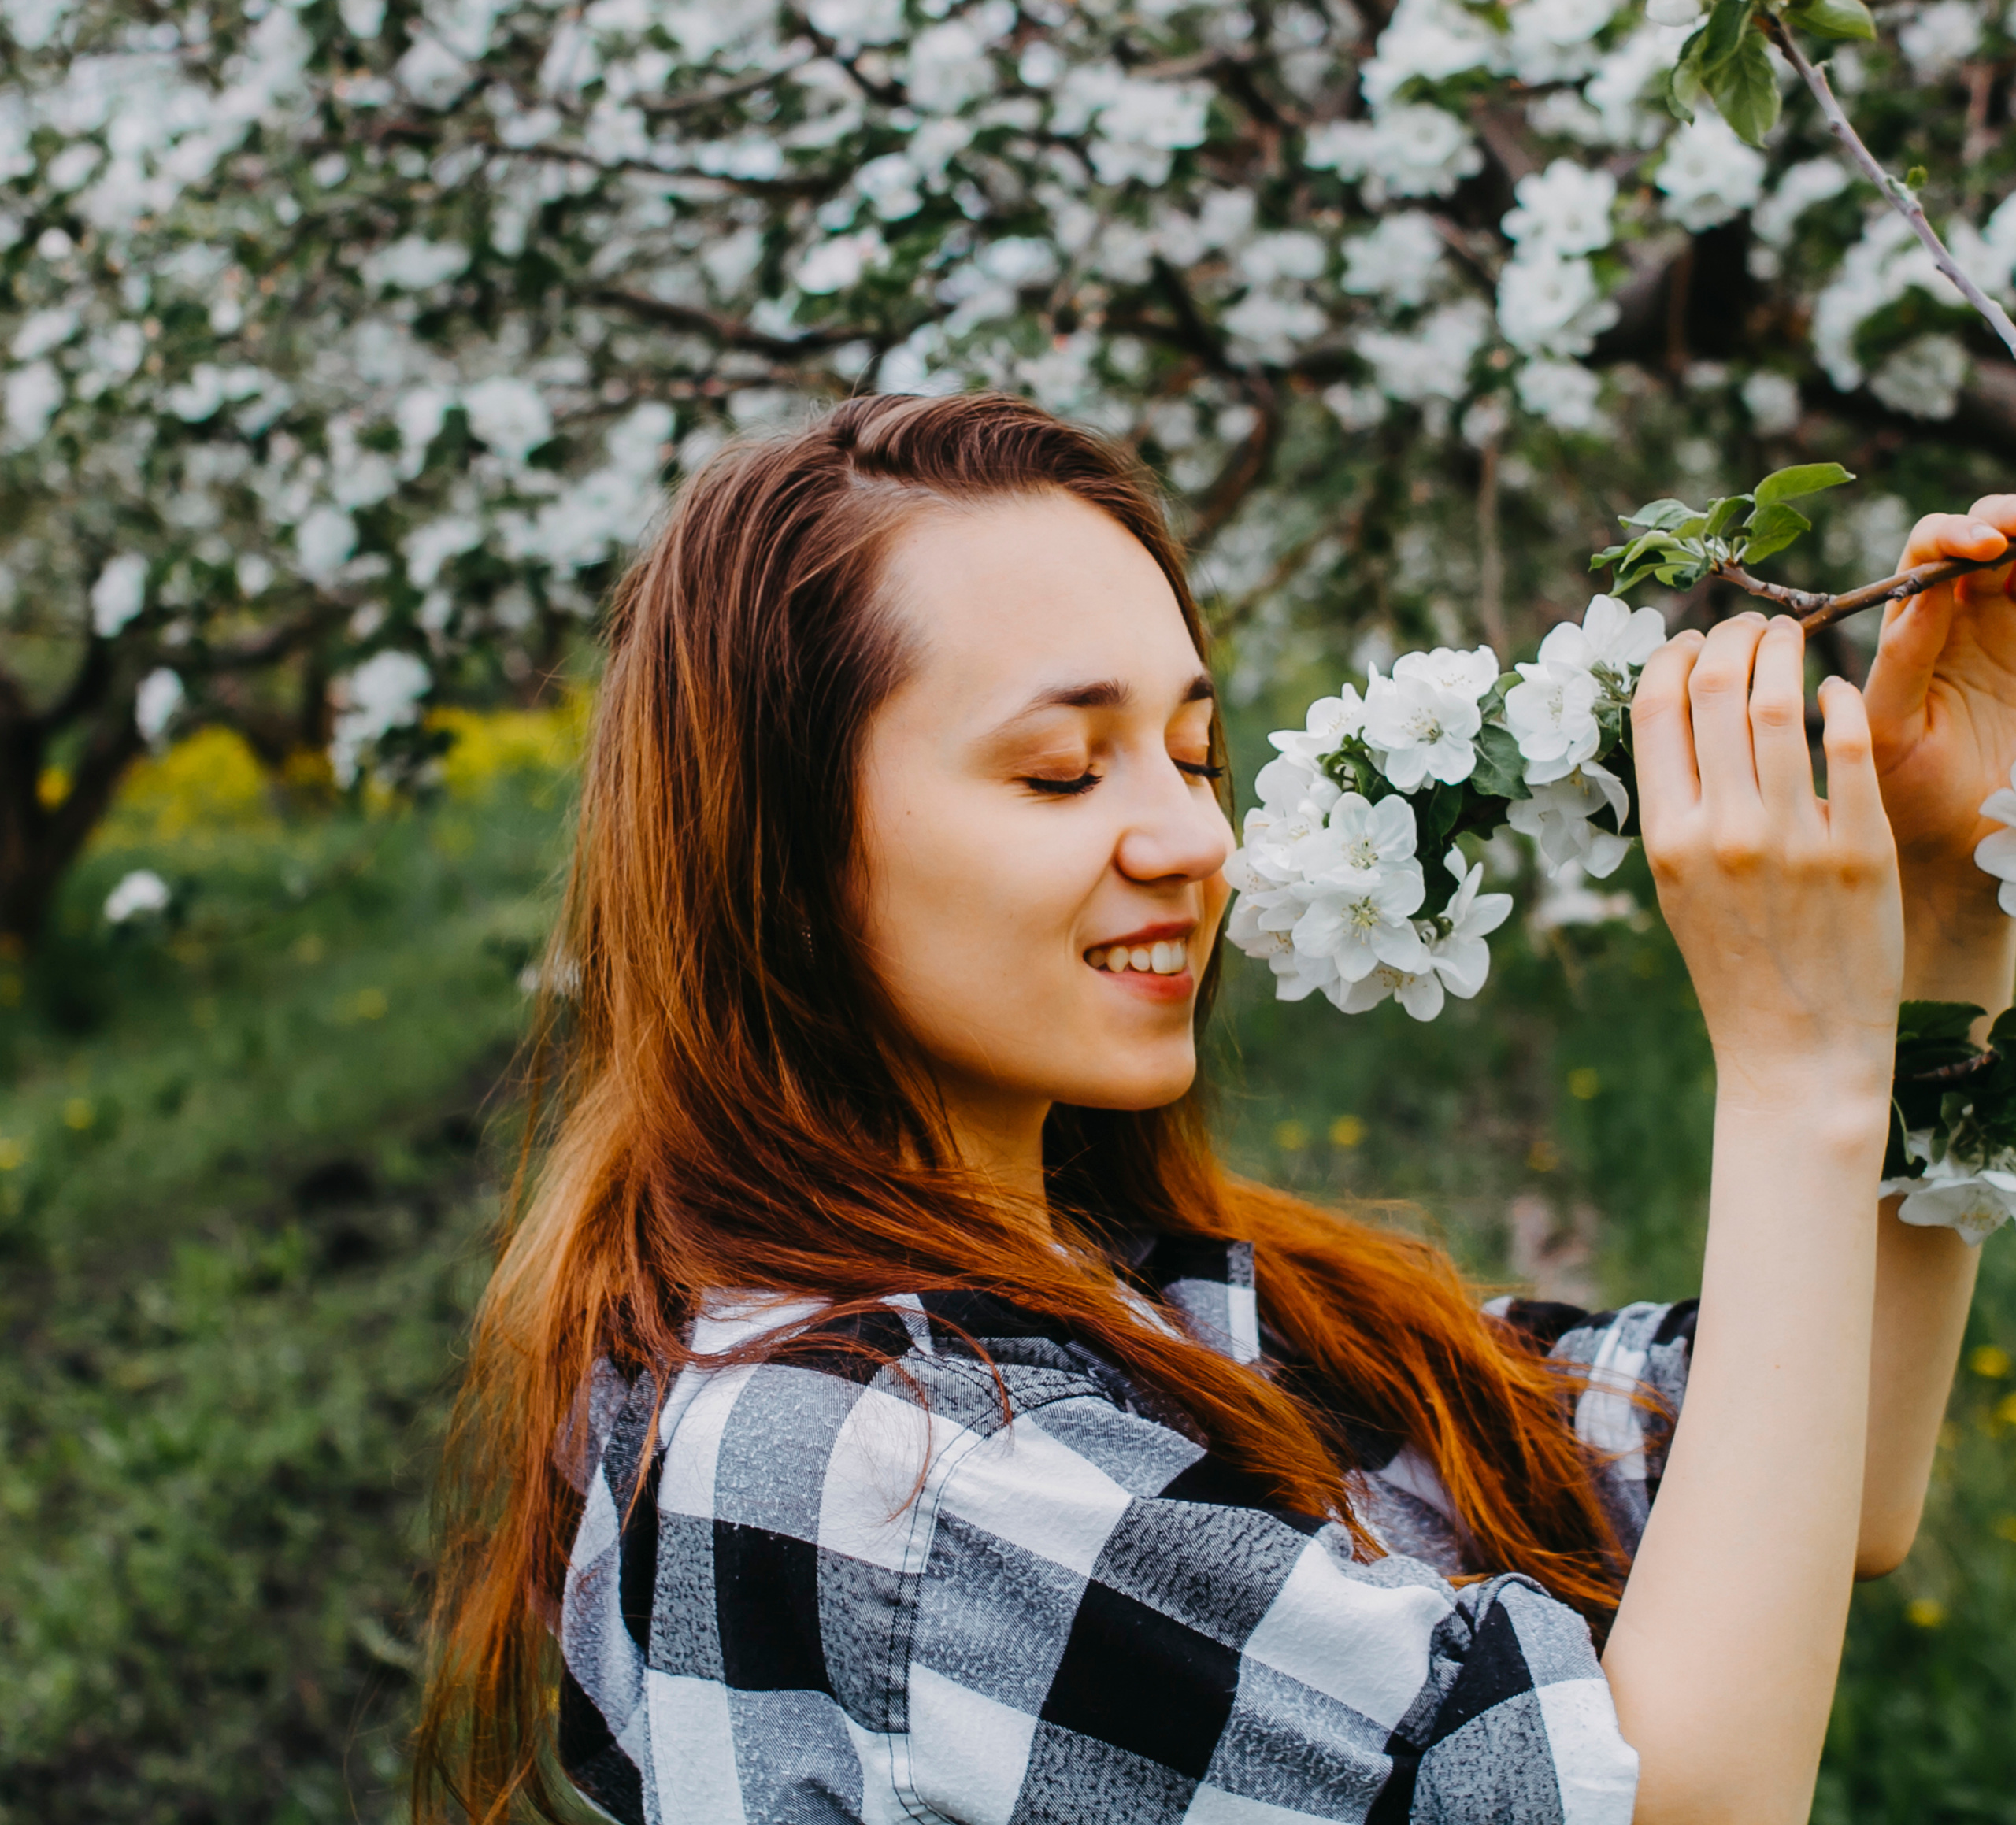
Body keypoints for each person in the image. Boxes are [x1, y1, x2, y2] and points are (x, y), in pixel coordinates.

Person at [415, 392, 2016, 1824]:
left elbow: (1821, 1478)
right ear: (779, 852)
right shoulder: (882, 1460)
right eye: (1061, 770)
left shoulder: (1123, 1300)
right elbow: (1678, 1804)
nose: (1193, 839)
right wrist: (1796, 1068)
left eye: (1190, 752)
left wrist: (1948, 921)